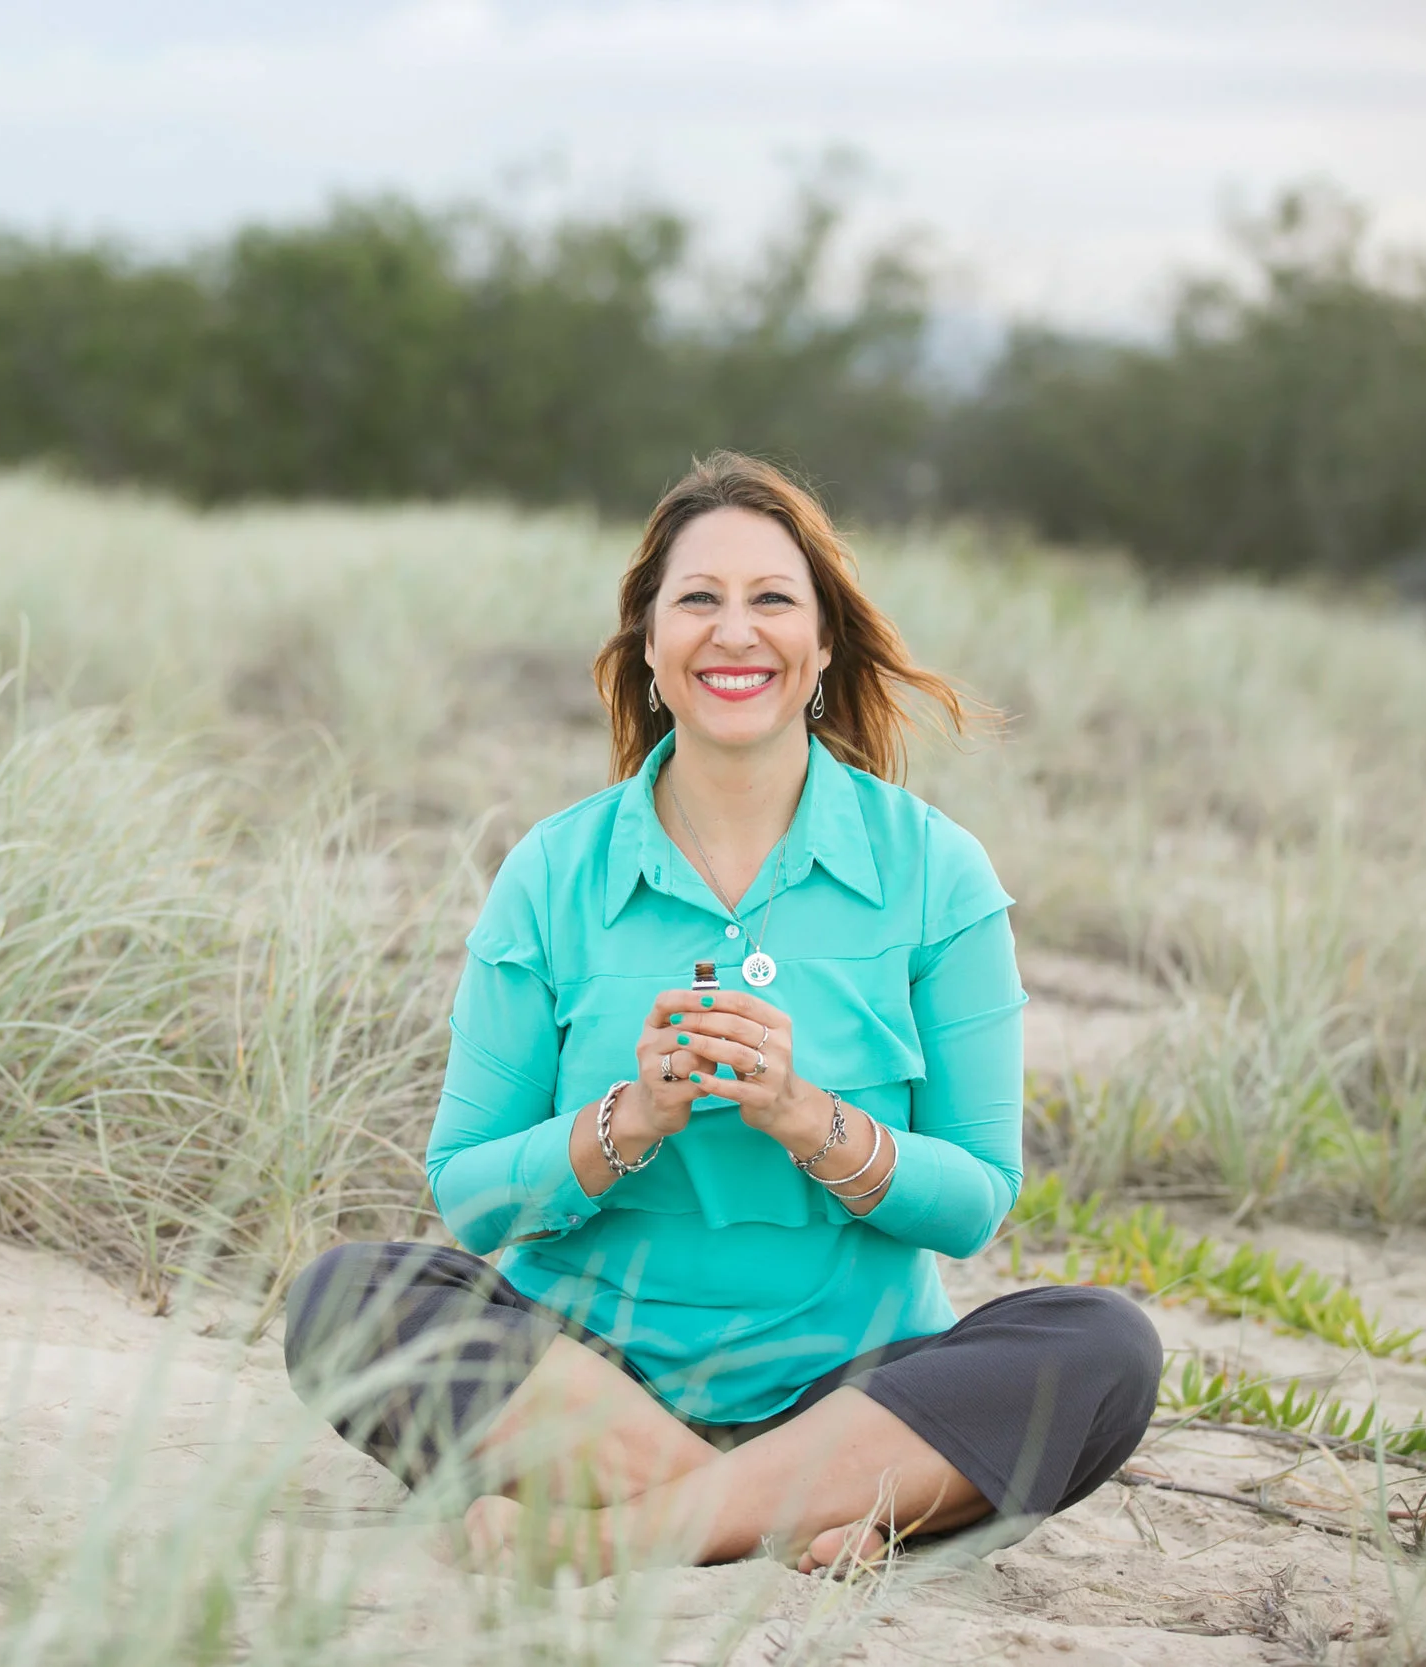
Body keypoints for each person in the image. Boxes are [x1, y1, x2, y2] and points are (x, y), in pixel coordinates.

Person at [281, 452, 1161, 1577]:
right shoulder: (553, 870)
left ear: (823, 643)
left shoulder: (936, 870)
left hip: (852, 1393)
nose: (733, 632)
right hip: (588, 1380)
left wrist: (808, 1119)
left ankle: (617, 1531)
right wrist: (628, 1120)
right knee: (343, 1298)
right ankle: (781, 1516)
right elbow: (469, 1193)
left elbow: (973, 1201)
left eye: (772, 599)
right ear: (649, 644)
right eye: (697, 598)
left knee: (1104, 1345)